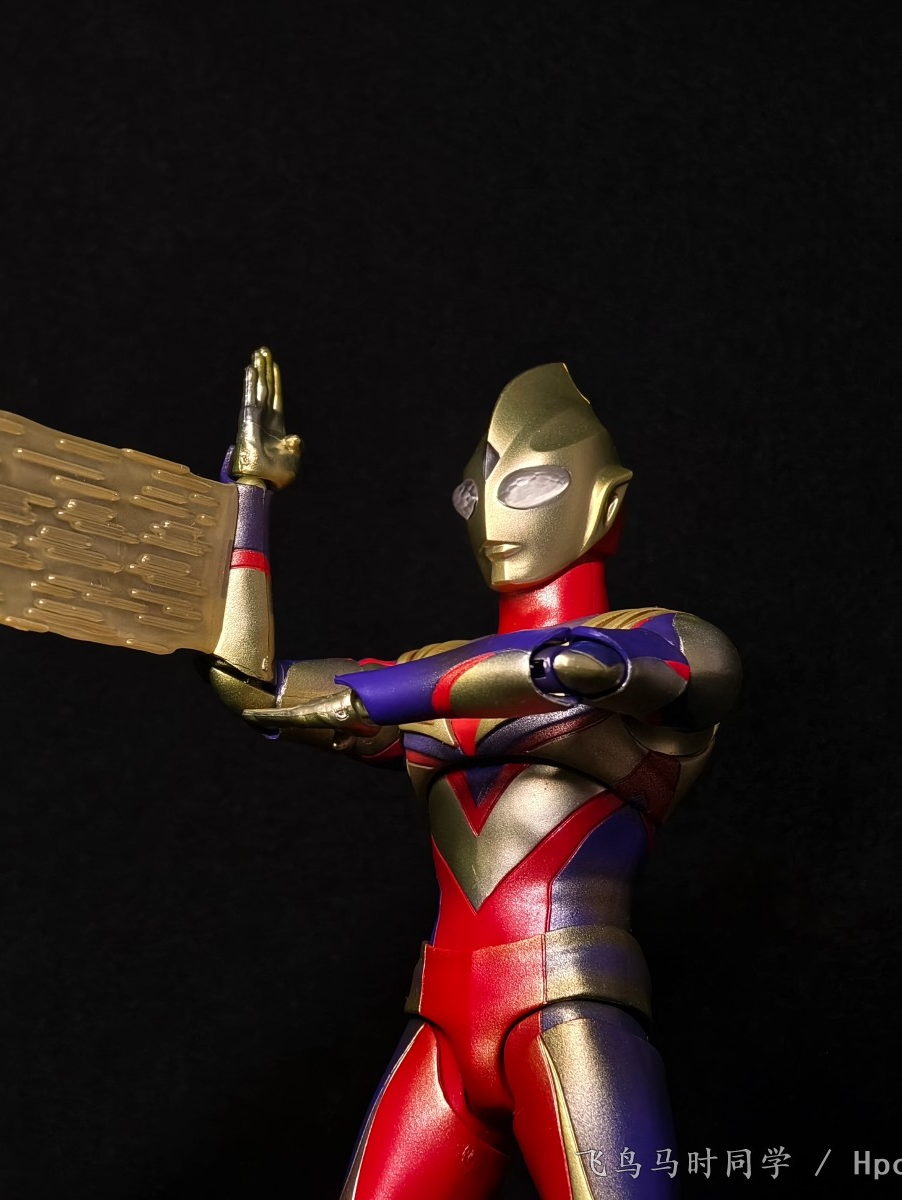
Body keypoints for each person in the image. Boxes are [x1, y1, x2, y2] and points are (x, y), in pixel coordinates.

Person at [207, 350, 740, 1199]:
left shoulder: (670, 642)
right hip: (441, 1022)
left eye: (529, 485)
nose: (492, 513)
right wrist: (249, 495)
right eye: (471, 493)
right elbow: (250, 686)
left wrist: (379, 698)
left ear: (605, 503)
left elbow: (568, 667)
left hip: (569, 1006)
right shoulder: (427, 670)